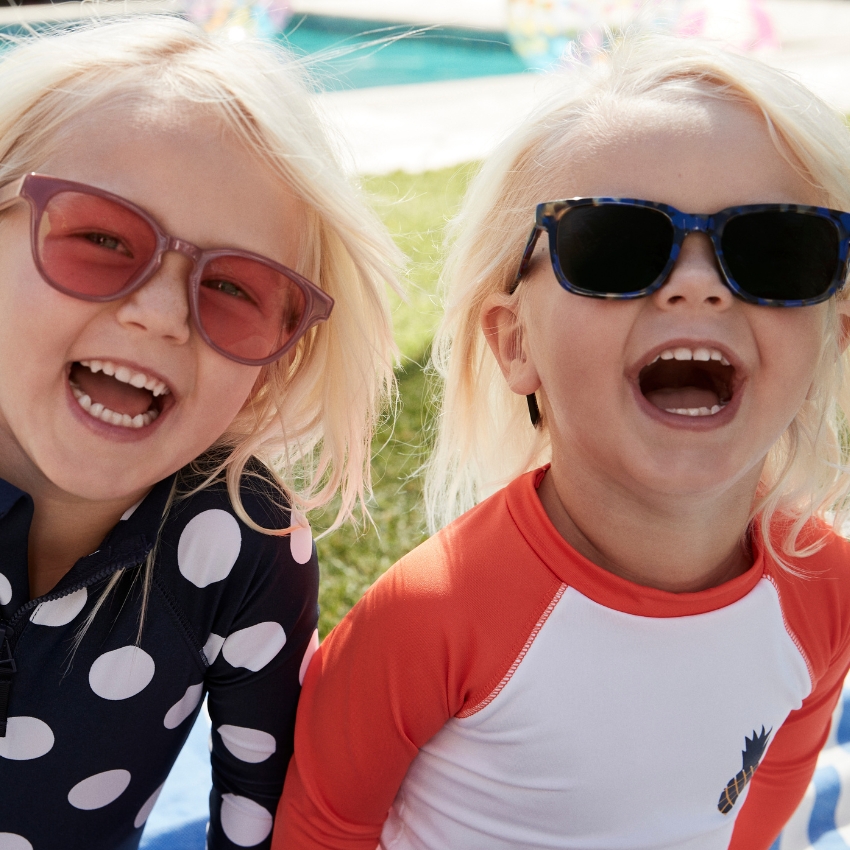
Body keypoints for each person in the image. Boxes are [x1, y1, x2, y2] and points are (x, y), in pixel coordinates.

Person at [275, 33, 850, 850]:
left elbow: (780, 770)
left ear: (835, 336)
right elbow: (324, 826)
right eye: (615, 245)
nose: (699, 283)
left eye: (776, 251)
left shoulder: (825, 589)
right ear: (517, 346)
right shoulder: (433, 617)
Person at [0, 16, 397, 850]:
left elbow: (264, 817)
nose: (160, 314)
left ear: (279, 362)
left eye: (237, 288)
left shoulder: (240, 541)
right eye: (101, 238)